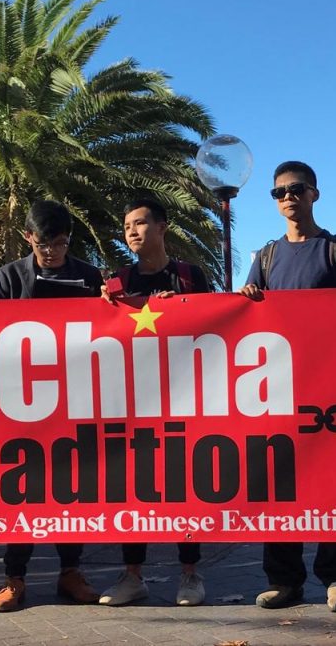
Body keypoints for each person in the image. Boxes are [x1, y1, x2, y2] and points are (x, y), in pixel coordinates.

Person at [239, 160, 336, 614]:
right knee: (279, 483)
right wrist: (247, 300)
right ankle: (284, 580)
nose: (288, 198)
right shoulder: (265, 257)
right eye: (279, 193)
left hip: (331, 387)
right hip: (278, 388)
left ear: (314, 193)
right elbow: (246, 318)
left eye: (296, 189)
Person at [0, 200, 102, 612]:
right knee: (23, 488)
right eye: (43, 244)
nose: (52, 252)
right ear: (28, 238)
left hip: (75, 398)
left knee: (71, 487)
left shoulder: (89, 276)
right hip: (23, 402)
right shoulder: (8, 276)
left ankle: (71, 571)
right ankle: (14, 578)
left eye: (60, 243)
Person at [97, 198, 211, 608]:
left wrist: (180, 309)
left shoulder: (190, 276)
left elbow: (216, 324)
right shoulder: (117, 280)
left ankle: (190, 575)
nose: (132, 231)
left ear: (162, 227)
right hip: (131, 402)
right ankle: (132, 577)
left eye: (140, 223)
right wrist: (101, 305)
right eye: (127, 225)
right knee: (134, 486)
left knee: (184, 485)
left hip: (183, 398)